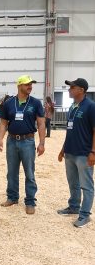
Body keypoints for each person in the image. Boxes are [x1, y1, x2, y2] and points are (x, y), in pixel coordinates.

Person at [0, 75, 45, 215]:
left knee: (29, 173)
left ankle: (30, 201)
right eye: (27, 84)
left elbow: (41, 123)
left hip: (28, 141)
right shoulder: (9, 103)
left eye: (31, 84)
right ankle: (12, 197)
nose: (30, 86)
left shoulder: (35, 103)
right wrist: (0, 139)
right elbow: (4, 123)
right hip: (11, 141)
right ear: (19, 86)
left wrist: (42, 143)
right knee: (11, 172)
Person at [57, 78, 95, 228]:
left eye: (72, 87)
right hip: (70, 152)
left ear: (81, 90)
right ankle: (74, 206)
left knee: (86, 185)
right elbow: (70, 131)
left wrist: (93, 151)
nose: (69, 89)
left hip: (84, 153)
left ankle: (85, 215)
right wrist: (63, 149)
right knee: (73, 182)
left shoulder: (91, 107)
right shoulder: (73, 107)